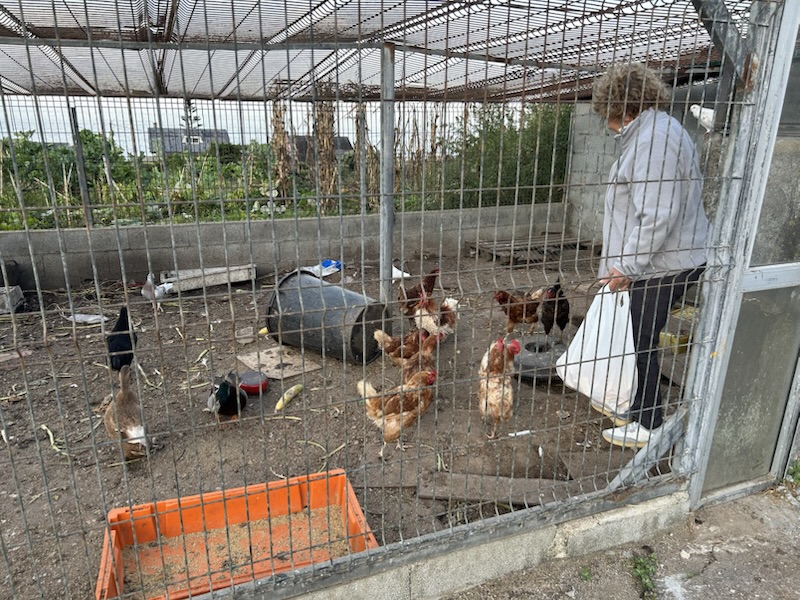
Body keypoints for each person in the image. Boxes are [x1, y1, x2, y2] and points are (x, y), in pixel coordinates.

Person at [591, 63, 711, 448]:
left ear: (622, 107)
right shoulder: (657, 132)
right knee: (637, 335)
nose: (608, 124)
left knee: (639, 338)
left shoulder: (654, 141)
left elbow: (657, 214)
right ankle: (635, 407)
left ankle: (647, 425)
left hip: (663, 264)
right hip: (667, 259)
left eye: (608, 114)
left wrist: (627, 266)